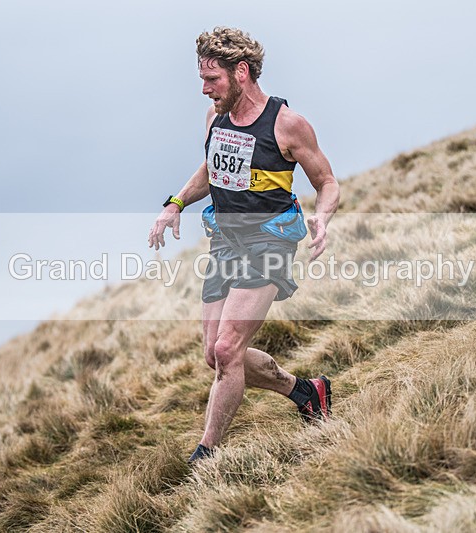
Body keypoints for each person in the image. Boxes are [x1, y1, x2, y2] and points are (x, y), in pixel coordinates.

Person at [148, 27, 340, 463]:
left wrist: (323, 217)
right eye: (202, 79)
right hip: (225, 241)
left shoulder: (287, 124)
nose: (205, 89)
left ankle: (206, 454)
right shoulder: (215, 118)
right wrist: (176, 204)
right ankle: (306, 392)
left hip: (270, 241)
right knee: (212, 355)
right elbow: (210, 169)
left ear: (241, 72)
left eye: (211, 79)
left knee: (226, 349)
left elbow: (327, 181)